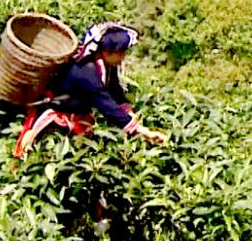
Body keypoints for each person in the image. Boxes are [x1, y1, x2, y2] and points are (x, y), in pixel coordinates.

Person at [13, 21, 167, 157]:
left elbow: (115, 92)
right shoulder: (86, 71)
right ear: (107, 52)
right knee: (47, 158)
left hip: (79, 120)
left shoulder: (107, 66)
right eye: (121, 53)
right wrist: (142, 131)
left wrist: (130, 113)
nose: (124, 57)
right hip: (56, 123)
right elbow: (107, 105)